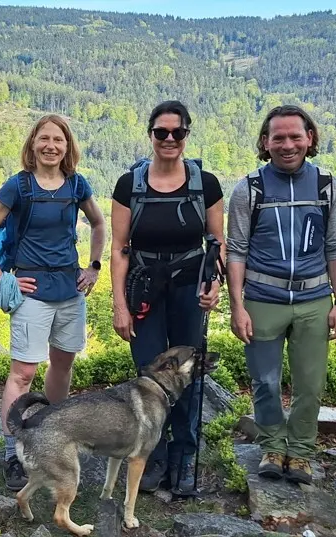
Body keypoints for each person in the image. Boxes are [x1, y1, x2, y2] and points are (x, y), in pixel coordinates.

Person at [0, 114, 106, 491]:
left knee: (62, 365)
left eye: (58, 140)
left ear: (67, 146)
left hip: (70, 290)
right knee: (23, 373)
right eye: (44, 139)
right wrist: (2, 278)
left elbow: (98, 223)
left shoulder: (77, 185)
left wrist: (94, 267)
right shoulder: (18, 186)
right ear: (32, 145)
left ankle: (51, 437)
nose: (51, 146)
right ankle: (16, 451)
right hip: (32, 293)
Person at [225, 105, 336, 486]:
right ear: (265, 143)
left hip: (315, 300)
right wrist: (237, 305)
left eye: (295, 136)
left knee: (310, 384)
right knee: (264, 381)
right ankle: (272, 446)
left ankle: (300, 452)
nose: (287, 144)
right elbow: (236, 250)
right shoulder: (249, 188)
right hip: (263, 298)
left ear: (310, 138)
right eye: (277, 137)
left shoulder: (329, 186)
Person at [109, 100, 225, 497]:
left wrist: (215, 282)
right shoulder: (130, 185)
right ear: (151, 135)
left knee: (189, 375)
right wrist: (119, 305)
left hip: (190, 288)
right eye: (162, 132)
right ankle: (153, 459)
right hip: (144, 289)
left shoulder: (205, 183)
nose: (170, 139)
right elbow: (120, 247)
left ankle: (185, 458)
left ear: (187, 135)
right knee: (149, 373)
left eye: (178, 132)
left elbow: (216, 242)